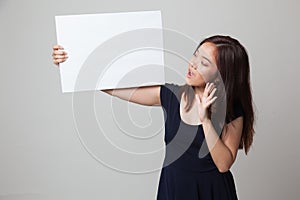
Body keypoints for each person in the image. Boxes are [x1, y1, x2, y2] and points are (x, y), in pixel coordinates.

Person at [52, 35, 255, 200]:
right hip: (173, 188)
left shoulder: (232, 110)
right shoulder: (171, 95)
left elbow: (223, 164)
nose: (192, 64)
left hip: (211, 192)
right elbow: (114, 86)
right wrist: (73, 64)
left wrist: (205, 120)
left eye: (203, 63)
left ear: (221, 74)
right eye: (195, 55)